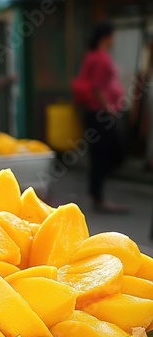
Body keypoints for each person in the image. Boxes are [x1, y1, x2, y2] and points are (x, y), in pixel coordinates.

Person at [76, 21, 127, 213]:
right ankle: (97, 195)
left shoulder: (94, 56)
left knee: (103, 155)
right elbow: (97, 87)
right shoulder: (99, 58)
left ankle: (96, 193)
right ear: (106, 37)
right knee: (108, 154)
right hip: (99, 114)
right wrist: (108, 108)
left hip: (95, 113)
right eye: (113, 36)